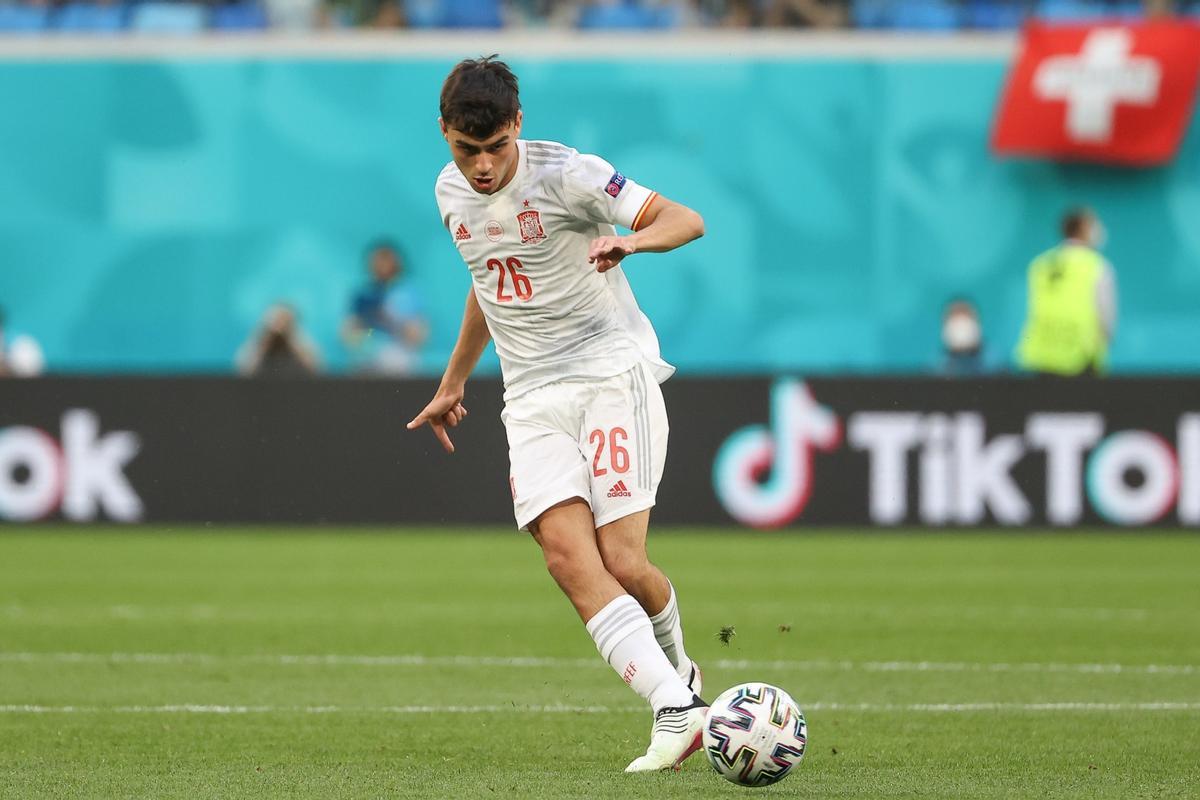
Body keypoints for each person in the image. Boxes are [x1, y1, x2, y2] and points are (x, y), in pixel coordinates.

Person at [407, 56, 708, 773]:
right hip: (532, 396)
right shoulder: (449, 193)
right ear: (444, 133)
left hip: (609, 371)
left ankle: (683, 675)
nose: (481, 167)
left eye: (494, 148)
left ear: (518, 125)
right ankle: (676, 707)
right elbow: (488, 283)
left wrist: (630, 239)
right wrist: (453, 382)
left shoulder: (571, 175)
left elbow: (685, 219)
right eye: (465, 149)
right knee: (566, 558)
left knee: (622, 561)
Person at [1016, 207, 1118, 377]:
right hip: (1082, 358)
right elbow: (1106, 318)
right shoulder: (1098, 267)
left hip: (1041, 355)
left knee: (1046, 405)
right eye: (1094, 224)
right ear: (1084, 228)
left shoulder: (1040, 264)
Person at [341, 239, 429, 375]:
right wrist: (366, 331)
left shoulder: (408, 294)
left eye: (386, 259)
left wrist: (394, 317)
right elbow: (348, 334)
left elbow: (418, 336)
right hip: (366, 359)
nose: (381, 265)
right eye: (378, 260)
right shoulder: (362, 295)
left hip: (400, 358)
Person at [235, 303, 323, 377]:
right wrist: (265, 342)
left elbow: (316, 370)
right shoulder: (259, 342)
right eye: (277, 321)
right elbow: (243, 371)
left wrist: (292, 340)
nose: (280, 326)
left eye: (285, 321)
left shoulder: (303, 343)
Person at [940, 297, 985, 376]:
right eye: (954, 316)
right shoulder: (934, 372)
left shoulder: (1001, 372)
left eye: (966, 315)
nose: (960, 326)